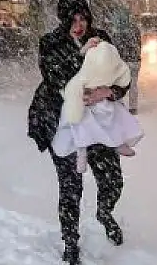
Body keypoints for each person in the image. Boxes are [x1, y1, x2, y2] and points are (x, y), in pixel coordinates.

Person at [27, 0, 131, 265]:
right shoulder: (50, 43)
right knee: (71, 186)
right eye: (72, 20)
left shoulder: (102, 38)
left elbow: (118, 71)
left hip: (98, 124)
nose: (78, 25)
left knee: (112, 180)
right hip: (63, 124)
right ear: (63, 21)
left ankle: (105, 213)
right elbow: (55, 75)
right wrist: (80, 54)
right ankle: (70, 240)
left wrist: (110, 91)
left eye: (82, 18)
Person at [51, 39, 144, 174]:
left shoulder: (103, 44)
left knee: (115, 115)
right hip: (81, 102)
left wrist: (109, 92)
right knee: (80, 123)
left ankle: (117, 141)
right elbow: (60, 76)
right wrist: (78, 96)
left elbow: (122, 80)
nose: (78, 26)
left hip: (104, 100)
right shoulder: (58, 44)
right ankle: (81, 152)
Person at [107, 6, 142, 113]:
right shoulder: (134, 29)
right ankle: (133, 107)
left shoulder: (114, 31)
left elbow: (112, 47)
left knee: (117, 83)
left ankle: (118, 105)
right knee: (133, 85)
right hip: (134, 61)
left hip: (120, 61)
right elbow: (139, 44)